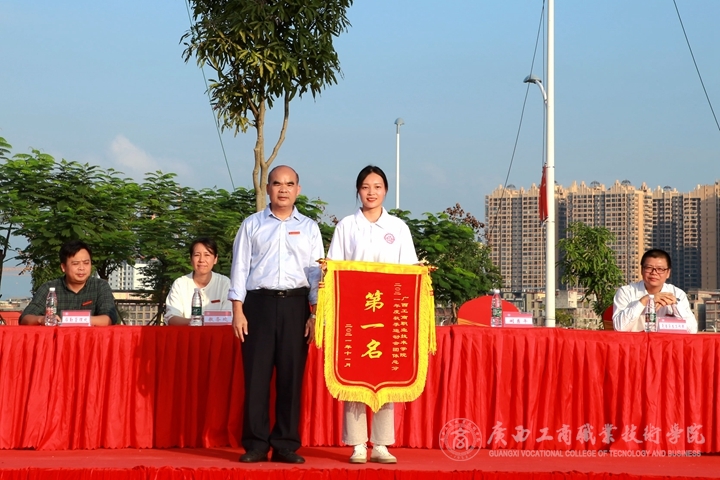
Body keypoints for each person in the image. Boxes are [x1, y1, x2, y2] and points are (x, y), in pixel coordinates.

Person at [229, 165, 324, 464]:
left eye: (289, 184)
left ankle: (285, 444)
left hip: (296, 306)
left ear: (298, 189)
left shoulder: (309, 227)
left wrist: (314, 314)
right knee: (256, 378)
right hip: (258, 306)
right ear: (268, 188)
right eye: (277, 183)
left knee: (291, 377)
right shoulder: (252, 224)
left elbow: (316, 274)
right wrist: (237, 310)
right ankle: (256, 444)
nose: (283, 189)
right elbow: (239, 268)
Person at [326, 165, 418, 464]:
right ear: (358, 190)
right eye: (366, 187)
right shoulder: (346, 226)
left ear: (385, 191)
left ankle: (381, 444)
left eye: (377, 187)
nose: (371, 192)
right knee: (354, 375)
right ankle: (356, 444)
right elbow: (333, 268)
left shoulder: (398, 228)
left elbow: (410, 271)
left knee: (385, 376)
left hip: (388, 312)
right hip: (354, 314)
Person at [20, 240, 118, 326]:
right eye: (75, 264)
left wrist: (71, 321)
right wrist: (42, 319)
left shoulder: (100, 286)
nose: (82, 268)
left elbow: (109, 318)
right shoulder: (49, 288)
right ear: (63, 267)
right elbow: (25, 318)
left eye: (86, 263)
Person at [613, 248, 698, 333]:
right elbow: (619, 328)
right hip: (635, 341)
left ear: (668, 273)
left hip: (666, 341)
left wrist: (675, 305)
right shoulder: (626, 292)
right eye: (649, 268)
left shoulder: (677, 294)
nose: (654, 273)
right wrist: (645, 300)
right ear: (642, 270)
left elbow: (692, 331)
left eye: (660, 269)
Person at [164, 237, 232, 325]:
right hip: (187, 333)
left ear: (215, 259)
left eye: (207, 255)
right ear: (191, 259)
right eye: (197, 255)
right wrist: (195, 322)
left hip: (218, 334)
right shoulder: (180, 284)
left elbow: (228, 317)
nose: (201, 260)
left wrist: (202, 322)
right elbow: (171, 318)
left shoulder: (225, 283)